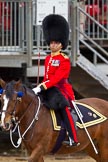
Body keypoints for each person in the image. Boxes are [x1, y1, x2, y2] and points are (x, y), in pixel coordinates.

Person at [33, 14, 79, 146]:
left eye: (56, 43)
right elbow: (47, 77)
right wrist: (40, 86)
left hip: (61, 89)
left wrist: (42, 87)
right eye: (51, 42)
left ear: (61, 44)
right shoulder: (48, 58)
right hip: (49, 88)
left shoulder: (64, 59)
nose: (53, 45)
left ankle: (73, 137)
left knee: (63, 108)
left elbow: (57, 78)